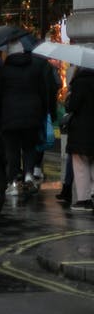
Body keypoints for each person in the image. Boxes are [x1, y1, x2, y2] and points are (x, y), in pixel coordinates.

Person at [0, 39, 59, 196]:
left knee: (12, 150)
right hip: (32, 115)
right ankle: (29, 176)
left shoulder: (4, 70)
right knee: (29, 147)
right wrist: (44, 111)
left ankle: (13, 181)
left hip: (9, 115)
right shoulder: (35, 67)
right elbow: (43, 91)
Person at [63, 66, 94, 212]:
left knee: (81, 166)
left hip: (81, 131)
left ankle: (84, 200)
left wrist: (68, 98)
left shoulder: (79, 82)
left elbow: (71, 107)